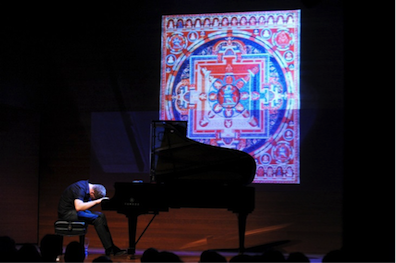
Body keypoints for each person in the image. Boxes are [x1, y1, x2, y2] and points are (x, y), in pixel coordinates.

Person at [57, 180, 125, 256]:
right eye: (93, 198)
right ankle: (110, 249)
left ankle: (111, 247)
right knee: (97, 219)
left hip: (75, 212)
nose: (92, 199)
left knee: (101, 216)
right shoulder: (80, 188)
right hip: (67, 213)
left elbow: (86, 206)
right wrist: (97, 202)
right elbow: (79, 207)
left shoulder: (86, 187)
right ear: (92, 192)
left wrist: (100, 202)